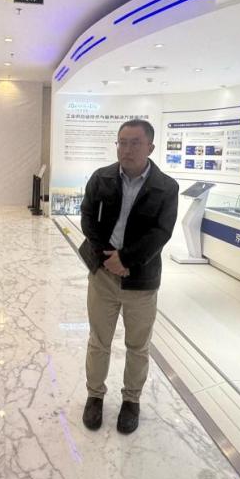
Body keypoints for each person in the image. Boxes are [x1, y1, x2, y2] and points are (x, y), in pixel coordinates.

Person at [78, 119, 179, 434]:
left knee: (137, 345)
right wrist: (106, 258)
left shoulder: (166, 187)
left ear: (150, 147)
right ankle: (95, 395)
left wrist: (127, 260)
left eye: (135, 142)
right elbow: (87, 218)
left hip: (141, 280)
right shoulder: (101, 178)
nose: (127, 149)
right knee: (99, 340)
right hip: (103, 275)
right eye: (122, 142)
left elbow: (161, 232)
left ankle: (131, 400)